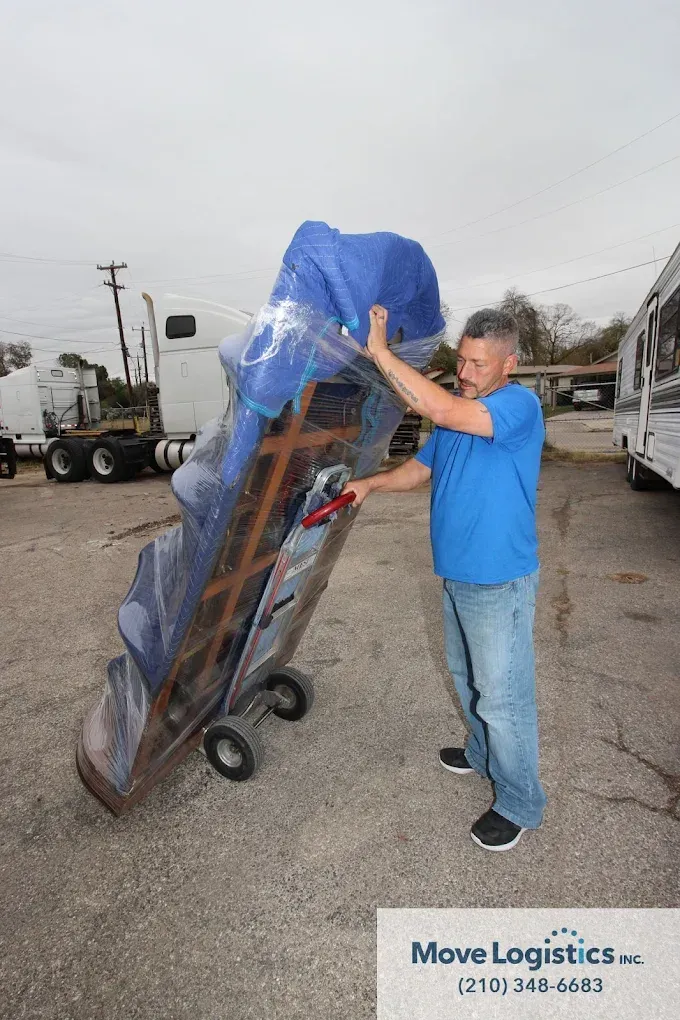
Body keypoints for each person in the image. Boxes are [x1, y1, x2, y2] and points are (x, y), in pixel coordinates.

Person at [343, 305, 546, 851]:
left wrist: (380, 351)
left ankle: (520, 801)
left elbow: (440, 407)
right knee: (467, 678)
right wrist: (371, 484)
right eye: (461, 360)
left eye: (478, 364)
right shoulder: (458, 416)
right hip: (458, 574)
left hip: (498, 579)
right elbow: (419, 470)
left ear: (509, 364)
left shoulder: (516, 406)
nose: (465, 372)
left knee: (502, 697)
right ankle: (483, 755)